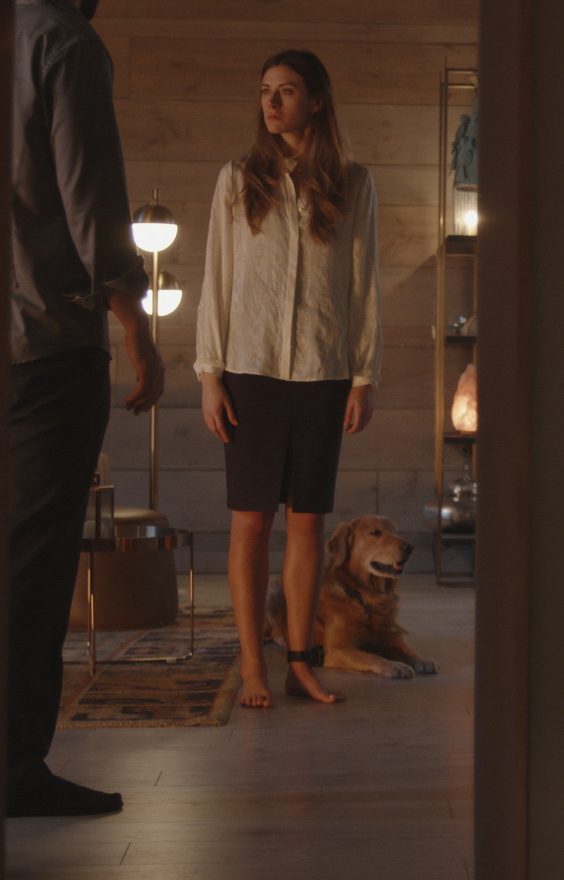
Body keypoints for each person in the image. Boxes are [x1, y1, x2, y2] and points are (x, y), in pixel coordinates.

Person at [8, 0, 164, 816]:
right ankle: (11, 768)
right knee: (33, 567)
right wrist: (135, 325)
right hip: (50, 345)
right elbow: (91, 200)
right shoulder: (67, 45)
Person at [194, 49, 380, 708]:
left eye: (287, 91)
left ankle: (301, 664)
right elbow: (217, 279)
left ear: (317, 101)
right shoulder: (237, 179)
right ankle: (253, 666)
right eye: (265, 91)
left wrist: (363, 375)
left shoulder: (354, 183)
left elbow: (362, 286)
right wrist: (209, 374)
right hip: (249, 371)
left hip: (323, 371)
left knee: (306, 526)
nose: (272, 103)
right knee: (250, 523)